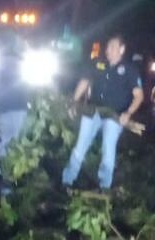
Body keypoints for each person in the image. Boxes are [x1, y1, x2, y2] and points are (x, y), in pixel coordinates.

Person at [61, 34, 144, 191]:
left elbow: (139, 96)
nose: (108, 50)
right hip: (92, 111)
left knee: (108, 151)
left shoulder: (129, 70)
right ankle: (67, 181)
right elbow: (84, 81)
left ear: (122, 49)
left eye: (112, 47)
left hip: (114, 116)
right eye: (108, 47)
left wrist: (128, 113)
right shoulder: (98, 64)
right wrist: (73, 101)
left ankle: (104, 187)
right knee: (80, 147)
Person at [0, 31, 31, 184]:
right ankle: (8, 181)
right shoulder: (23, 63)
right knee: (12, 146)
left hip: (0, 110)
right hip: (19, 110)